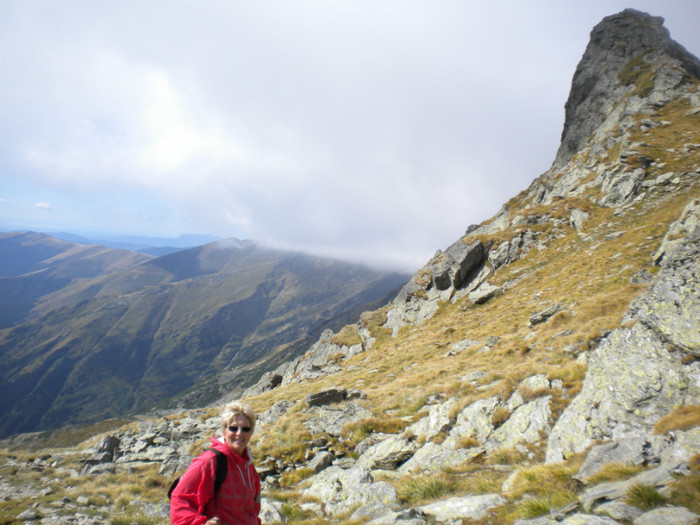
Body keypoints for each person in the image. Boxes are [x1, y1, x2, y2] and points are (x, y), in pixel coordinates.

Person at [170, 401, 261, 525]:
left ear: (251, 433)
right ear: (224, 430)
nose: (239, 433)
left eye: (245, 429)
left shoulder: (248, 466)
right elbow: (180, 499)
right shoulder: (209, 461)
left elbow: (252, 509)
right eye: (233, 428)